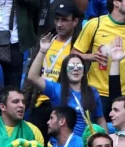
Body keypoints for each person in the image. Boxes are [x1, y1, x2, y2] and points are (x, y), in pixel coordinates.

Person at [72, 0, 125, 115]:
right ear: (116, 3)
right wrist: (90, 56)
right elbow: (73, 54)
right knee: (96, 131)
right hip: (96, 92)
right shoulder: (95, 24)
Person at [28, 0, 81, 135]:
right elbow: (31, 71)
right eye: (57, 19)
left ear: (75, 21)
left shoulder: (78, 44)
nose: (59, 24)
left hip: (63, 104)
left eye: (64, 20)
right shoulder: (46, 39)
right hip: (40, 101)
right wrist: (26, 99)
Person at [28, 48, 106, 138]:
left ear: (84, 71)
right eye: (71, 66)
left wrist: (106, 142)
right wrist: (42, 51)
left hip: (86, 144)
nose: (76, 69)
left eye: (79, 66)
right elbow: (32, 77)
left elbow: (100, 120)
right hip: (63, 145)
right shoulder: (56, 89)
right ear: (65, 71)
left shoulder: (92, 92)